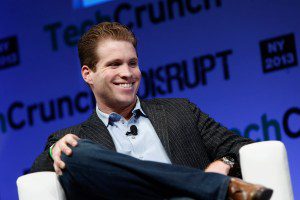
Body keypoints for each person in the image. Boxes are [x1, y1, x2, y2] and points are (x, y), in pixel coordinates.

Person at [30, 22, 273, 200]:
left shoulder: (180, 111)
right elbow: (35, 175)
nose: (127, 73)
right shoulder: (72, 136)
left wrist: (225, 161)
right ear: (88, 74)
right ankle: (214, 187)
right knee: (75, 150)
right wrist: (54, 151)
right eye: (114, 64)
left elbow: (240, 147)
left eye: (132, 63)